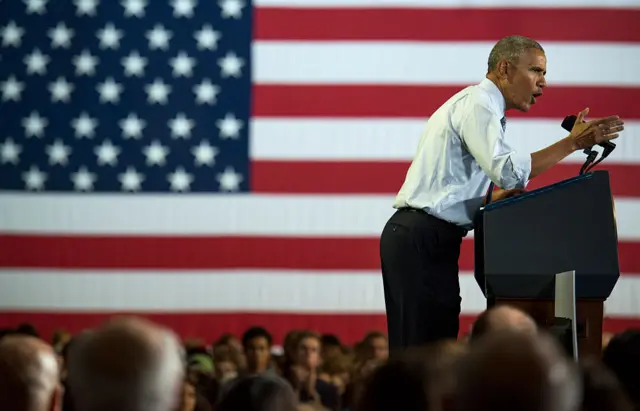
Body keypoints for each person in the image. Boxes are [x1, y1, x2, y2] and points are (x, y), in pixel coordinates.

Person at [379, 35, 625, 353]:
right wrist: (572, 143)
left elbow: (449, 187)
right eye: (536, 70)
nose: (543, 82)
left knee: (431, 349)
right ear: (505, 68)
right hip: (422, 238)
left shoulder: (482, 106)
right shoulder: (479, 104)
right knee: (422, 357)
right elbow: (508, 171)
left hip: (428, 239)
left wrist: (490, 201)